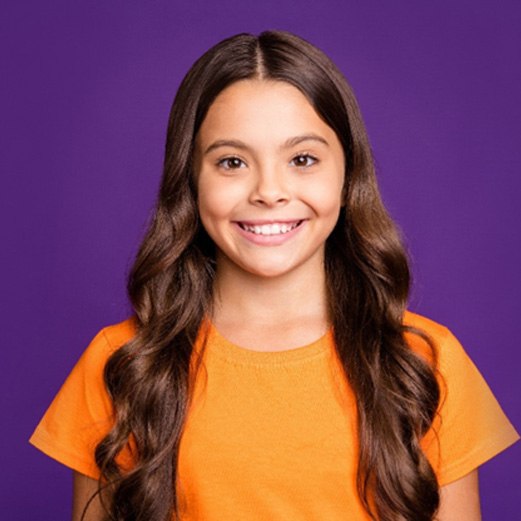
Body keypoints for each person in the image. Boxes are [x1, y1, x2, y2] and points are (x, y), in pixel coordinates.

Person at [30, 31, 518, 521]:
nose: (269, 191)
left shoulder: (427, 362)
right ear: (191, 181)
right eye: (232, 162)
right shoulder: (122, 365)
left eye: (302, 159)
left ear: (348, 179)